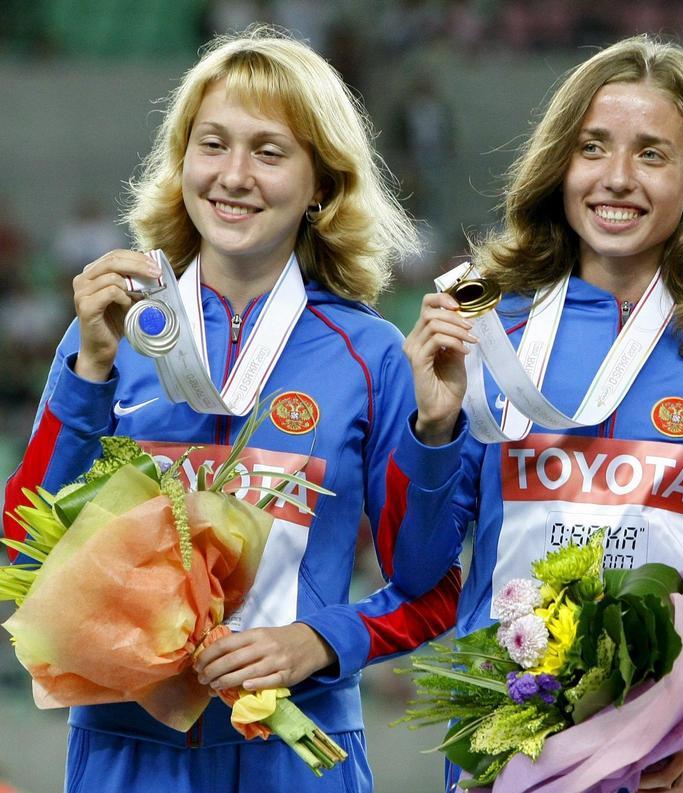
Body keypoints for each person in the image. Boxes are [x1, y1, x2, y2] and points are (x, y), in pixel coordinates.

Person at [2, 27, 461, 793]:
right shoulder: (116, 335)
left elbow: (430, 585)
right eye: (212, 144)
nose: (234, 175)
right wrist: (86, 371)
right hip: (126, 750)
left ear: (321, 184)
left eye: (270, 151)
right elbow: (22, 552)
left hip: (300, 746)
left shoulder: (372, 353)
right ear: (182, 163)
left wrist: (318, 640)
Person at [400, 35, 683, 793]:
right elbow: (420, 570)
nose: (617, 179)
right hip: (503, 753)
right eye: (593, 148)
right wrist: (438, 428)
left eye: (652, 154)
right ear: (561, 165)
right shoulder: (483, 325)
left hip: (670, 766)